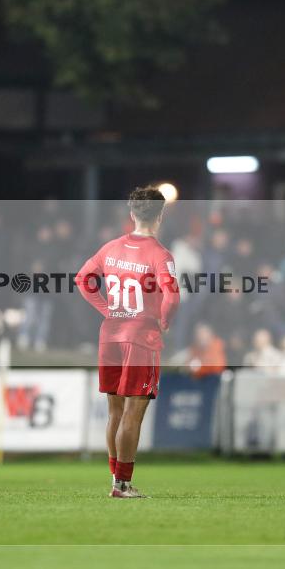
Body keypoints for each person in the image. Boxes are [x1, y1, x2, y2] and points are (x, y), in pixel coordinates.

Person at [76, 186, 180, 499]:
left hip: (110, 335)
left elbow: (83, 279)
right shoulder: (160, 255)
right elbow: (172, 297)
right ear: (160, 216)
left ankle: (115, 479)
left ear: (131, 214)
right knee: (133, 414)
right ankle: (122, 485)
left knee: (114, 413)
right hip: (140, 338)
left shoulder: (110, 248)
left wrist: (106, 308)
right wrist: (164, 320)